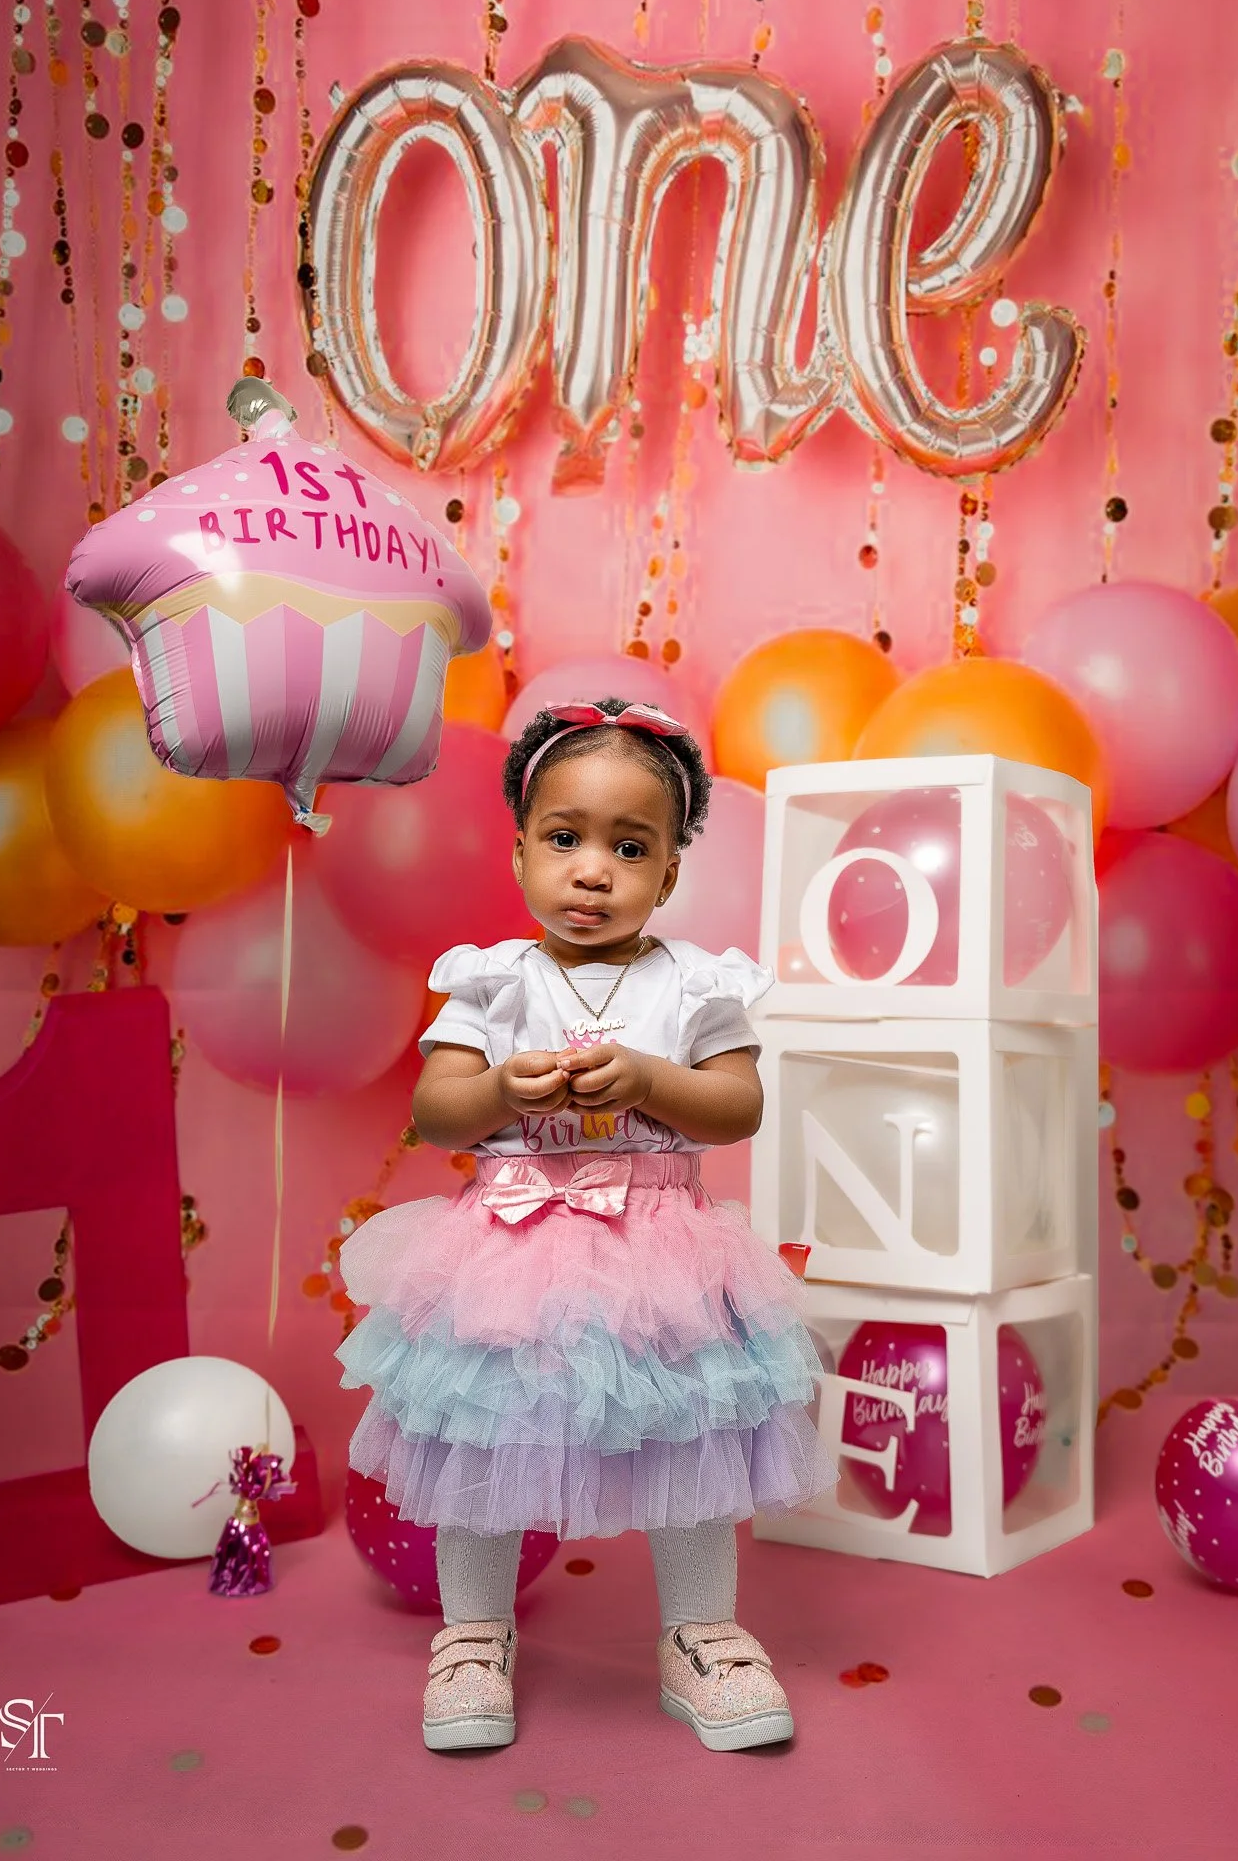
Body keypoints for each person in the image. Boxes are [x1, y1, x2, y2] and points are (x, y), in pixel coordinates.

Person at [337, 696, 835, 1754]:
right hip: (510, 1253)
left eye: (630, 845)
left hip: (659, 1249)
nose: (593, 869)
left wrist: (655, 1076)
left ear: (668, 872)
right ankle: (473, 1634)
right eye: (564, 838)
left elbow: (738, 1105)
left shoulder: (697, 984)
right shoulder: (490, 980)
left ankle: (699, 1632)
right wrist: (504, 1090)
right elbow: (436, 1113)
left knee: (689, 1435)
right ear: (520, 851)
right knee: (487, 1436)